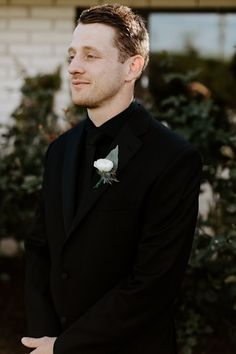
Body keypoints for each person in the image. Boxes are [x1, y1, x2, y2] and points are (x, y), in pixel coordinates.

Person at [21, 4, 202, 354]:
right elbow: (39, 249)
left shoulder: (174, 159)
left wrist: (67, 346)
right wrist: (44, 339)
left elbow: (153, 284)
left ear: (132, 66)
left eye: (91, 55)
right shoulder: (59, 151)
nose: (74, 67)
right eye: (72, 55)